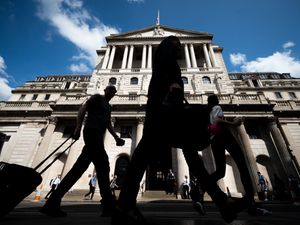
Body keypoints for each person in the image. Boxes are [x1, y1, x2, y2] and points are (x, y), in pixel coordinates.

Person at [112, 36, 247, 225]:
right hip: (168, 116)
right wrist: (181, 105)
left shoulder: (158, 65)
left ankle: (220, 200)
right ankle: (221, 200)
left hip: (155, 115)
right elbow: (174, 88)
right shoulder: (171, 65)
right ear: (169, 47)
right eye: (177, 46)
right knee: (186, 153)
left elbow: (158, 93)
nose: (181, 49)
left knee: (149, 157)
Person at [40, 85, 125, 217]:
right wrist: (77, 128)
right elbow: (82, 110)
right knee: (102, 167)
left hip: (98, 135)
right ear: (105, 90)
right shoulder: (97, 98)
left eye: (114, 91)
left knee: (82, 168)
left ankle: (52, 202)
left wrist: (116, 138)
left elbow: (108, 124)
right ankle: (108, 205)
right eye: (110, 89)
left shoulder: (108, 107)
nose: (112, 92)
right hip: (91, 132)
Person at [195, 94, 271, 216]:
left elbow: (210, 125)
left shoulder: (206, 112)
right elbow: (217, 121)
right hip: (225, 136)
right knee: (243, 167)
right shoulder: (216, 107)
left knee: (220, 172)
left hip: (214, 140)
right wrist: (234, 123)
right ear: (216, 101)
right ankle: (251, 204)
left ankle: (200, 191)